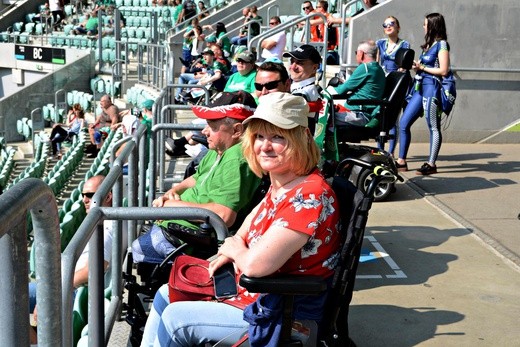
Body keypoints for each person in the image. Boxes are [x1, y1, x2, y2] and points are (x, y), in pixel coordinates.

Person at [140, 92, 340, 346]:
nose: (264, 146)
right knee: (166, 293)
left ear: (301, 139)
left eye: (278, 136)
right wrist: (231, 248)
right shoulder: (284, 181)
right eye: (259, 136)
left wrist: (235, 249)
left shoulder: (309, 195)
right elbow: (255, 216)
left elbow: (255, 267)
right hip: (257, 294)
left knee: (176, 320)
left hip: (283, 311)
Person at [132, 91, 262, 264]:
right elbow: (196, 177)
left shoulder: (237, 159)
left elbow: (224, 215)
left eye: (212, 126)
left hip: (193, 237)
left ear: (237, 130)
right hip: (180, 224)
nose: (204, 131)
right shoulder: (219, 149)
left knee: (139, 248)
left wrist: (172, 207)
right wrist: (173, 192)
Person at [29, 175, 122, 343]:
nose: (84, 200)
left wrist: (53, 292)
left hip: (72, 290)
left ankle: (39, 342)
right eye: (82, 195)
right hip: (68, 285)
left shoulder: (107, 228)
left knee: (8, 302)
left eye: (90, 195)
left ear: (107, 196)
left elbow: (94, 268)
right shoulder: (103, 221)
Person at [396, 13, 451, 175]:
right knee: (404, 122)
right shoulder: (429, 45)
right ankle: (401, 161)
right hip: (420, 88)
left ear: (433, 26)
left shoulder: (442, 45)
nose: (423, 27)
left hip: (432, 88)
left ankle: (431, 163)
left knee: (433, 126)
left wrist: (423, 68)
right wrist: (417, 67)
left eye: (425, 24)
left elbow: (443, 70)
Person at [326, 40, 385, 127]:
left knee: (323, 117)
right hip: (362, 113)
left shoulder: (365, 68)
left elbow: (341, 90)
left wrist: (325, 90)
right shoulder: (378, 69)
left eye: (356, 53)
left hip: (359, 114)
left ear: (361, 54)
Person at [376, 16, 411, 157]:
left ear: (398, 27)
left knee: (393, 119)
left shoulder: (404, 44)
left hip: (397, 83)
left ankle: (390, 152)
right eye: (385, 24)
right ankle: (379, 150)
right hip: (384, 83)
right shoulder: (380, 43)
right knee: (381, 117)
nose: (388, 26)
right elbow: (377, 63)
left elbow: (404, 66)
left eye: (392, 23)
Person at [283, 44, 322, 134]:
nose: (292, 67)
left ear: (314, 68)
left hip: (297, 141)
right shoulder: (302, 87)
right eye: (292, 62)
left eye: (300, 63)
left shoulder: (304, 92)